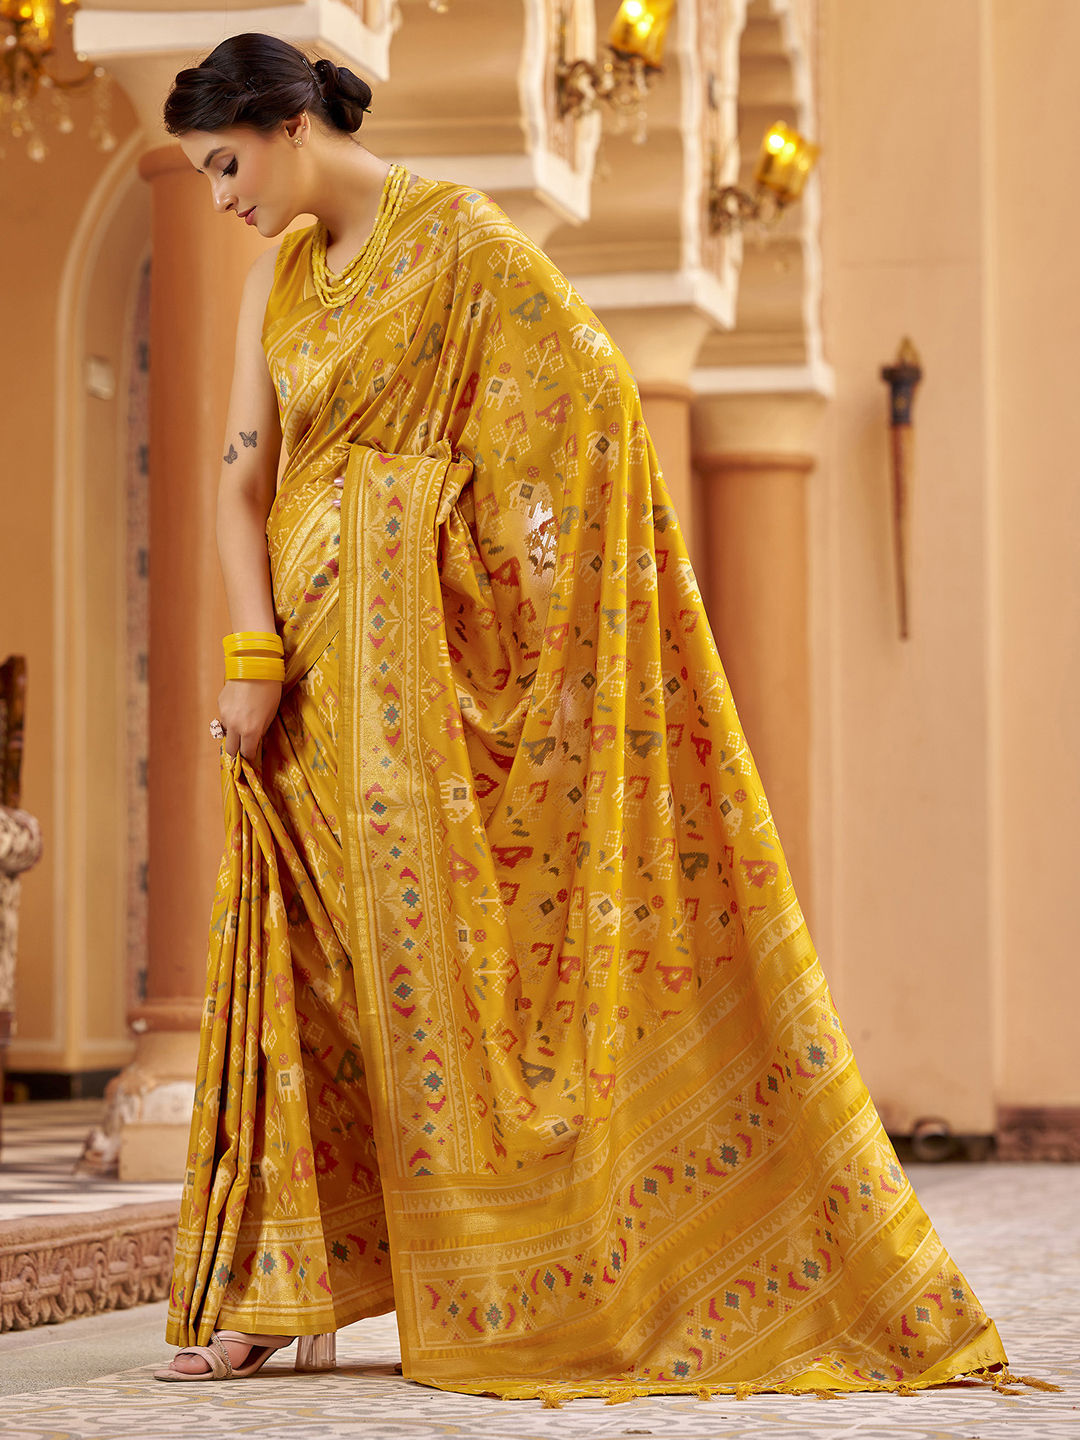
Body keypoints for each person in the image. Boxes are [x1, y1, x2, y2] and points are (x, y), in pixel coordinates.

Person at [154, 32, 1008, 1398]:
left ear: (290, 122)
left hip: (419, 689)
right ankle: (281, 1284)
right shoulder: (278, 280)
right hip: (304, 687)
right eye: (202, 174)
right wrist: (252, 651)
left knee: (440, 977)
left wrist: (446, 542)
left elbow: (593, 405)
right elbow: (237, 486)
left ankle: (512, 1273)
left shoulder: (465, 243)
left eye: (225, 164)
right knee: (303, 960)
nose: (220, 197)